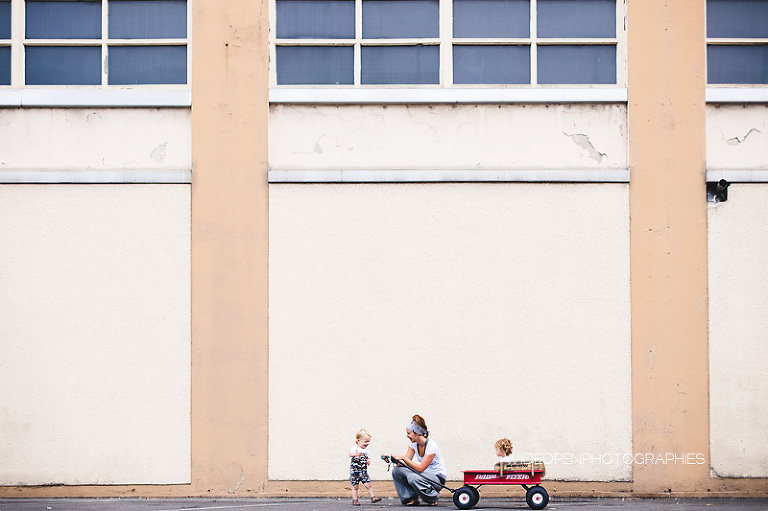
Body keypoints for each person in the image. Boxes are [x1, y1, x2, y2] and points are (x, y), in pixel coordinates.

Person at [391, 414, 447, 506]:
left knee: (412, 477)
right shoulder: (413, 444)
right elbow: (404, 464)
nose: (407, 436)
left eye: (409, 433)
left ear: (417, 433)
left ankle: (433, 497)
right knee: (397, 471)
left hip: (437, 478)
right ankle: (411, 497)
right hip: (423, 476)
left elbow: (420, 468)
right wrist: (393, 459)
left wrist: (403, 458)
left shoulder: (431, 446)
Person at [350, 429, 382, 506]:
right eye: (365, 441)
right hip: (355, 471)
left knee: (368, 484)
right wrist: (356, 454)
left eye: (368, 441)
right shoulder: (355, 448)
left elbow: (368, 457)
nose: (367, 443)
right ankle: (355, 500)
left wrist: (368, 460)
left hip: (363, 471)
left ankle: (373, 497)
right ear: (358, 441)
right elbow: (350, 454)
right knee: (355, 486)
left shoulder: (366, 450)